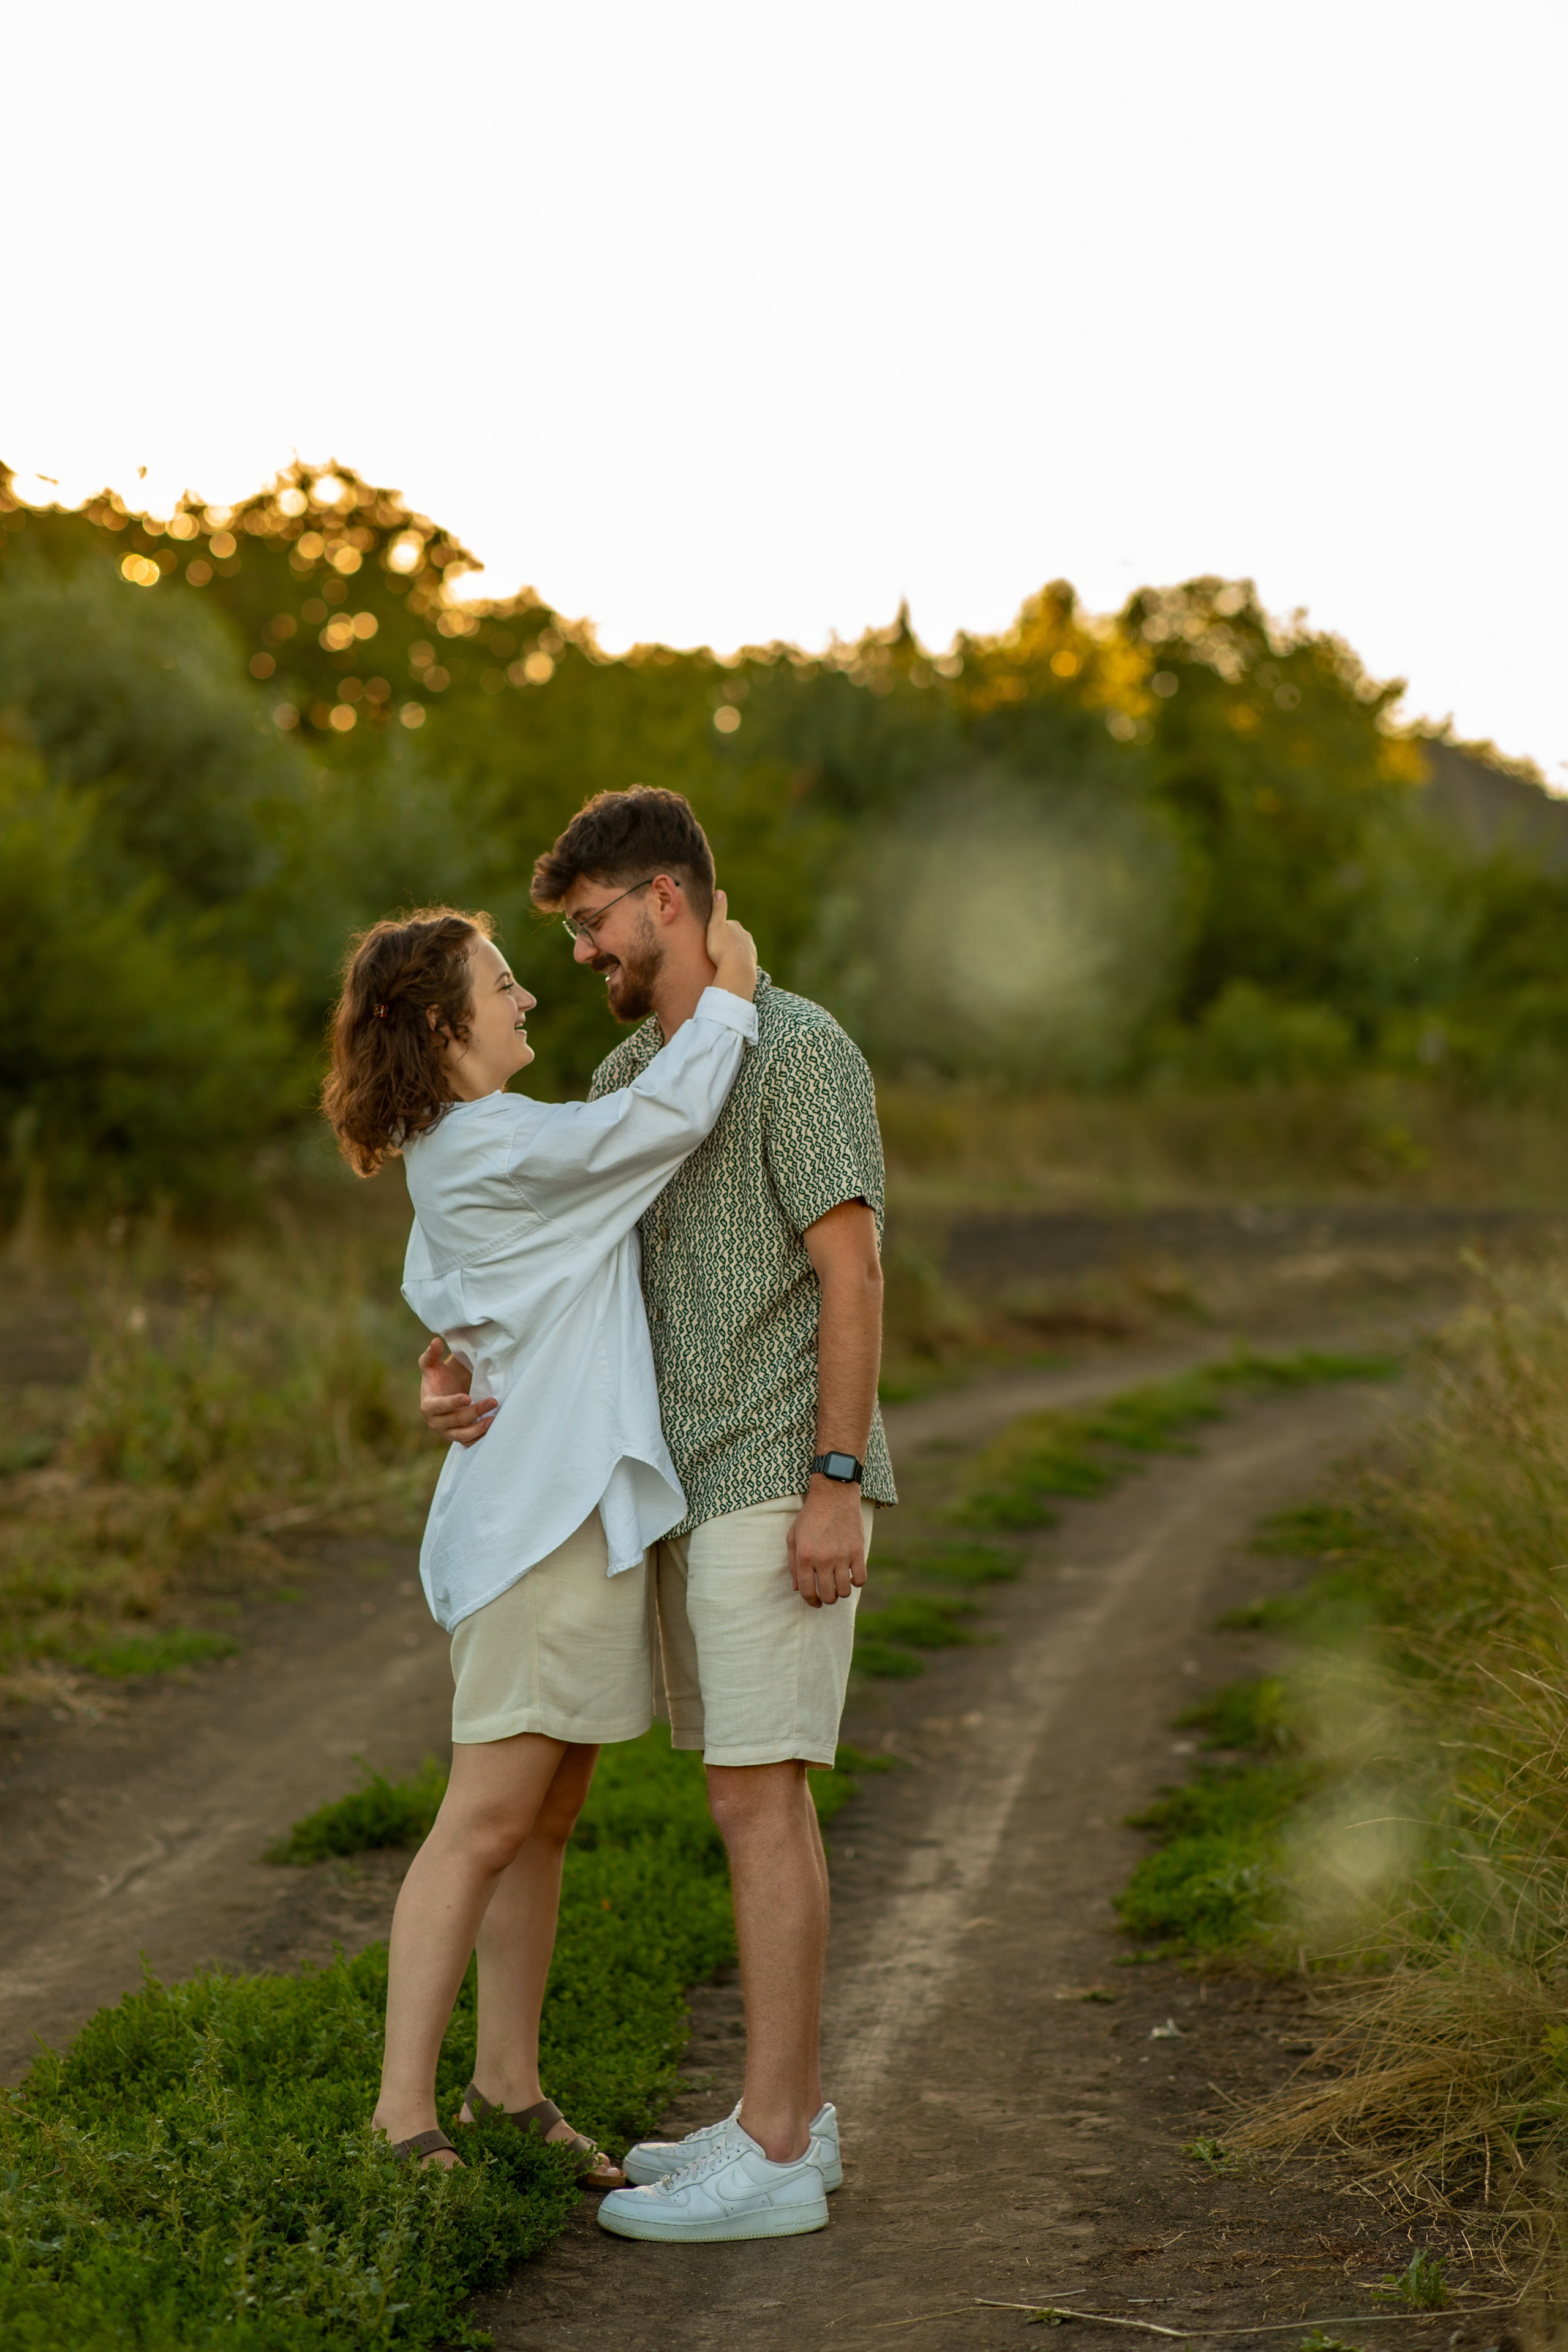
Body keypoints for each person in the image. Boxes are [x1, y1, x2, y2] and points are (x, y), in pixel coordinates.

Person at [423, 788, 896, 2243]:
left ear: (668, 901)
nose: (575, 954)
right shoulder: (645, 1066)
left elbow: (852, 1275)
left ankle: (770, 2148)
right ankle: (781, 2119)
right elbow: (537, 1249)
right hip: (683, 1490)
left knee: (757, 1794)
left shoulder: (798, 1051)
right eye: (560, 933)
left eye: (589, 923)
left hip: (773, 1473)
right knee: (750, 1790)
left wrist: (832, 1478)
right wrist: (447, 1360)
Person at [321, 893, 758, 2177]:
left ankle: (507, 2088)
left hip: (563, 1513)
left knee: (546, 1814)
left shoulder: (474, 1144)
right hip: (534, 1530)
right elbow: (662, 1120)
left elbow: (479, 1298)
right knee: (485, 1817)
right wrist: (725, 985)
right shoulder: (492, 1140)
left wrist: (450, 1357)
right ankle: (401, 2117)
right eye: (501, 981)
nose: (526, 996)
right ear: (441, 1021)